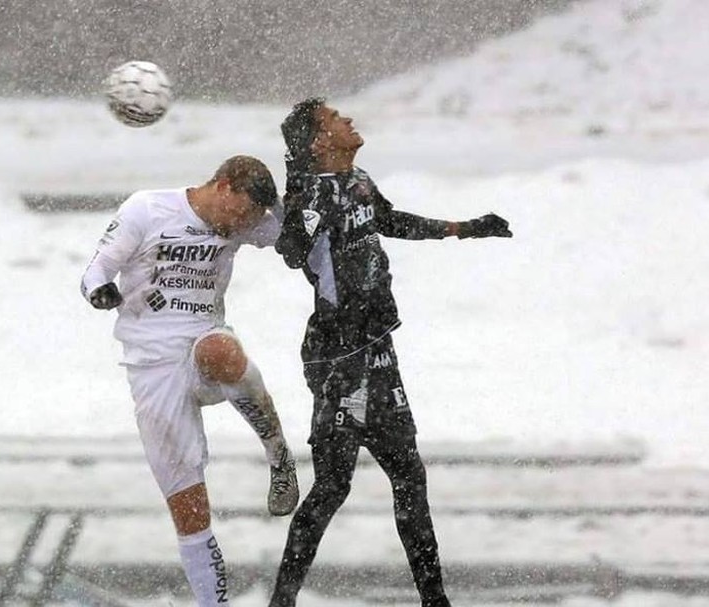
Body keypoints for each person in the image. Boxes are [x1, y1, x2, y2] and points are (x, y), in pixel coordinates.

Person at [268, 98, 513, 607]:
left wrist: (464, 228)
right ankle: (282, 601)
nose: (349, 121)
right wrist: (300, 195)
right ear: (318, 141)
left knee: (410, 478)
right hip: (339, 356)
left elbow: (390, 220)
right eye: (336, 119)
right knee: (334, 487)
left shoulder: (358, 180)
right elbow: (291, 252)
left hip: (379, 351)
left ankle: (435, 600)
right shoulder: (314, 191)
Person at [80, 155, 300, 606]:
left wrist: (295, 201)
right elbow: (94, 271)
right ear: (221, 186)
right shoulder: (147, 208)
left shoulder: (244, 221)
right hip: (151, 365)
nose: (238, 226)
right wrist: (100, 292)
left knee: (220, 351)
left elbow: (297, 237)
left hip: (202, 337)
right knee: (190, 511)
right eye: (238, 214)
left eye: (249, 220)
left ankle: (279, 456)